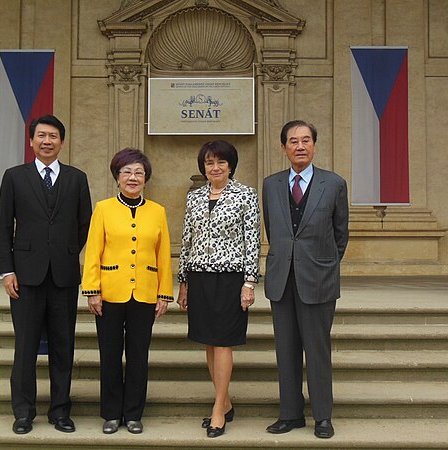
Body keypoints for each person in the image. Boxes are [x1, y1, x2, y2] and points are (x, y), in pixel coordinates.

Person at [0, 114, 92, 435]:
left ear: (61, 142)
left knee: (64, 347)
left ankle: (60, 411)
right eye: (41, 136)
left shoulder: (77, 178)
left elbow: (84, 225)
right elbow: (3, 227)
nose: (47, 141)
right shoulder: (14, 177)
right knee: (24, 346)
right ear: (32, 140)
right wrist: (7, 270)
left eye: (53, 136)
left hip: (64, 276)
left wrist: (64, 252)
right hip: (24, 277)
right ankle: (23, 412)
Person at [262, 120, 349, 439]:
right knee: (285, 350)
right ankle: (290, 414)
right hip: (282, 279)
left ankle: (323, 416)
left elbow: (341, 234)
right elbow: (273, 229)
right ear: (283, 147)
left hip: (319, 279)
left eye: (306, 140)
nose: (300, 146)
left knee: (317, 349)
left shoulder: (334, 183)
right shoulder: (271, 184)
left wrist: (322, 264)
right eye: (293, 141)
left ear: (314, 144)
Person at [81, 148, 173, 435]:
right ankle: (110, 413)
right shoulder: (104, 208)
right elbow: (93, 251)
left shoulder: (157, 211)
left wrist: (164, 294)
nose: (133, 178)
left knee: (138, 356)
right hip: (109, 293)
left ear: (146, 179)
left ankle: (133, 413)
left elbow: (163, 254)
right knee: (109, 355)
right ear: (117, 177)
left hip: (144, 294)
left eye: (139, 173)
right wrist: (92, 290)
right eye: (127, 172)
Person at [177, 140, 261, 438]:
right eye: (209, 162)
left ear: (231, 165)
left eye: (221, 162)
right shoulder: (195, 197)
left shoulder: (246, 195)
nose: (215, 167)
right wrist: (183, 281)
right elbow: (186, 239)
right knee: (209, 342)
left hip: (230, 278)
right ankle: (225, 402)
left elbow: (252, 241)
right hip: (199, 276)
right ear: (203, 167)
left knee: (223, 341)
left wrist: (249, 282)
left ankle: (217, 410)